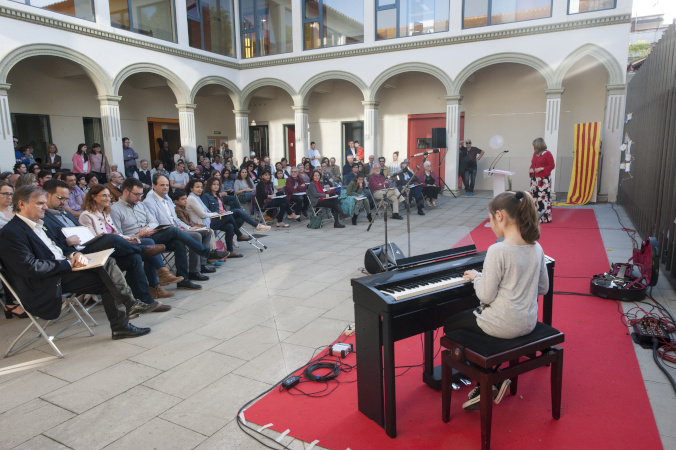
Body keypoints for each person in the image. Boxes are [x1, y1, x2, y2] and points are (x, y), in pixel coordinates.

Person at [0, 185, 155, 339]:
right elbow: (30, 268)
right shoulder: (11, 233)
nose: (45, 207)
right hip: (46, 282)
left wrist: (73, 254)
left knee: (108, 265)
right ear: (21, 204)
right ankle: (127, 311)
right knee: (108, 277)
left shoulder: (39, 225)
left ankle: (123, 323)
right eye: (40, 203)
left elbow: (60, 248)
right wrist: (68, 264)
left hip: (63, 270)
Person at [444, 190, 548, 410]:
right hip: (528, 323)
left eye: (490, 218)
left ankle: (487, 378)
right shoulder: (536, 247)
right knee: (471, 321)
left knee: (450, 325)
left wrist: (477, 277)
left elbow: (485, 295)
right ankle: (492, 377)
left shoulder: (497, 250)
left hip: (502, 325)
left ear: (499, 216)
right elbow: (543, 288)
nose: (490, 223)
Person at [68, 184, 175, 303]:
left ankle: (147, 298)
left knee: (138, 253)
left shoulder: (106, 212)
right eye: (104, 195)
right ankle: (151, 260)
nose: (107, 198)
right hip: (101, 251)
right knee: (142, 248)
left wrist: (128, 239)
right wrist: (121, 239)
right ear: (93, 197)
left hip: (115, 245)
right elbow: (92, 239)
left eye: (109, 196)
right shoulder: (86, 215)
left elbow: (116, 233)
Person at [110, 177, 220, 290]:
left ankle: (183, 279)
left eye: (141, 195)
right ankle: (206, 252)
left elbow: (154, 222)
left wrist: (147, 227)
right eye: (137, 195)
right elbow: (118, 234)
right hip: (135, 241)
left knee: (179, 242)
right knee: (173, 231)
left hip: (151, 234)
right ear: (126, 192)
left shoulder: (141, 205)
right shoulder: (115, 209)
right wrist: (138, 235)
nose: (139, 198)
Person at [143, 174, 225, 281]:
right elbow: (154, 223)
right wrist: (176, 227)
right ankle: (206, 254)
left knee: (203, 232)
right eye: (162, 185)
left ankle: (189, 275)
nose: (165, 187)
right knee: (195, 236)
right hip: (160, 233)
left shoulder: (167, 199)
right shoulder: (149, 202)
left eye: (167, 185)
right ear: (154, 186)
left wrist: (188, 228)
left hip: (175, 230)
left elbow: (176, 219)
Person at [529, 137, 555, 223]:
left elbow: (552, 166)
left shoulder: (547, 154)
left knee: (543, 198)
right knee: (534, 198)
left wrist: (542, 169)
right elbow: (532, 164)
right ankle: (536, 216)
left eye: (534, 146)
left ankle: (545, 217)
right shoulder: (535, 154)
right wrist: (531, 170)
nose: (533, 147)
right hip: (534, 180)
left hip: (543, 180)